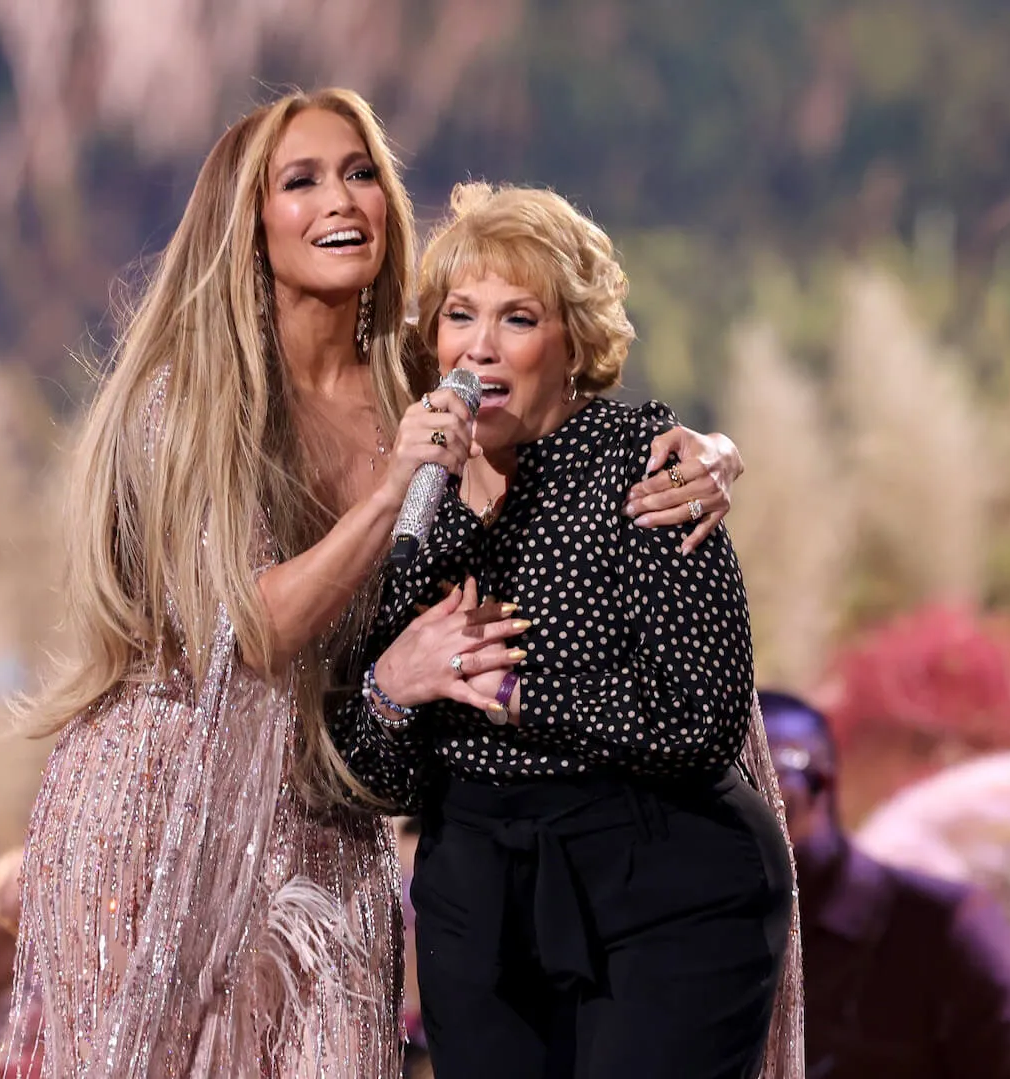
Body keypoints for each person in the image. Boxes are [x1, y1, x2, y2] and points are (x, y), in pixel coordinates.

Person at [5, 91, 745, 1077]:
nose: (339, 199)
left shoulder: (416, 370)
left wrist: (712, 451)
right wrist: (392, 487)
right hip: (169, 805)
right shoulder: (184, 398)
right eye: (300, 180)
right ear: (247, 219)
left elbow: (558, 392)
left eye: (359, 172)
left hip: (330, 806)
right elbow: (250, 633)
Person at [331, 183, 803, 1079]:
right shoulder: (412, 502)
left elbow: (699, 718)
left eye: (518, 318)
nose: (480, 345)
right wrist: (395, 690)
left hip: (665, 882)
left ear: (573, 343)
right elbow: (385, 777)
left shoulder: (649, 462)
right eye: (459, 316)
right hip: (478, 900)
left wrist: (519, 695)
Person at [758, 690, 1010, 1079]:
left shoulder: (941, 929)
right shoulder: (697, 934)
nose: (747, 804)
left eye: (770, 777)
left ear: (823, 781)